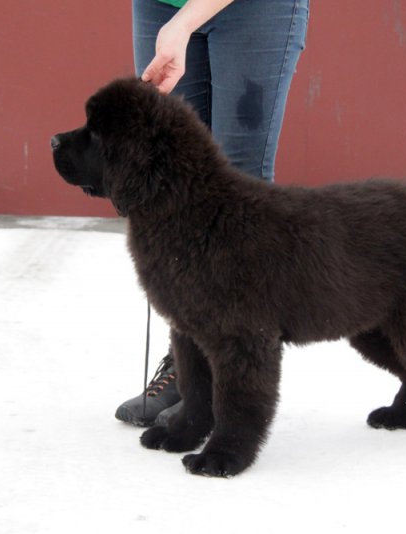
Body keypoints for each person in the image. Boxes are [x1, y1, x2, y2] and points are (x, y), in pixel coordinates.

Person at [115, 0, 310, 426]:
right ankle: (188, 374)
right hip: (161, 6)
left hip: (255, 11)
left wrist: (184, 22)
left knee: (239, 193)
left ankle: (238, 382)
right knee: (172, 179)